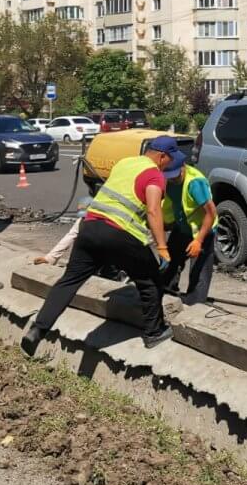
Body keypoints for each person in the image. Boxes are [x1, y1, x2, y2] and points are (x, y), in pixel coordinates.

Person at [21, 137, 181, 355]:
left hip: (89, 227)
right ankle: (154, 333)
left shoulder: (125, 163)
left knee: (69, 281)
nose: (170, 165)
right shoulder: (154, 174)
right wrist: (162, 247)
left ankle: (38, 329)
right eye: (170, 160)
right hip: (120, 234)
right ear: (162, 156)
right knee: (151, 281)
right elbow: (154, 210)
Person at [161, 160, 218, 305]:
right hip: (182, 226)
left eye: (175, 176)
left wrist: (199, 240)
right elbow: (168, 205)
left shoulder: (195, 183)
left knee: (199, 269)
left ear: (182, 167)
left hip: (203, 230)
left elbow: (211, 213)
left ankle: (196, 301)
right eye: (169, 176)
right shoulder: (169, 182)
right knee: (170, 260)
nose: (172, 179)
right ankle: (167, 291)